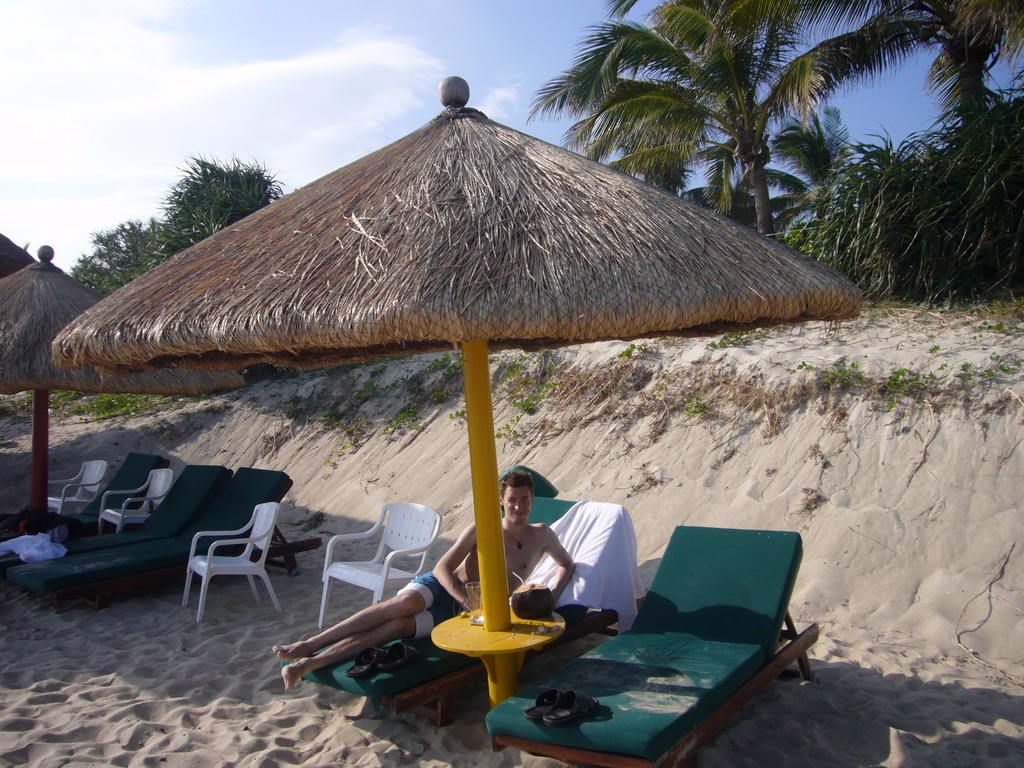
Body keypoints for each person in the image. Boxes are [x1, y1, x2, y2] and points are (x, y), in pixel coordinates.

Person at [274, 469, 574, 690]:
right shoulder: (484, 529)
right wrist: (463, 598)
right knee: (402, 604)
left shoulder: (542, 535)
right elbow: (444, 567)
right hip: (446, 589)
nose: (519, 507)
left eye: (525, 500)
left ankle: (310, 663)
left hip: (465, 614)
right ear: (501, 500)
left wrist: (553, 595)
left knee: (398, 626)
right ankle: (310, 643)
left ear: (533, 500)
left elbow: (566, 564)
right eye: (512, 500)